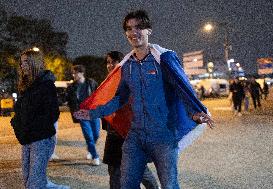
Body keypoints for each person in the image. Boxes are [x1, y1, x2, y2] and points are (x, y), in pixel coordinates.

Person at [74, 10, 213, 189]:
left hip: (163, 136)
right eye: (129, 29)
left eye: (139, 27)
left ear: (149, 30)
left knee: (169, 185)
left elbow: (181, 87)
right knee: (126, 185)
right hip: (136, 136)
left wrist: (195, 112)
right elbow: (120, 99)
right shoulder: (127, 65)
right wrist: (94, 113)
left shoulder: (164, 59)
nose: (134, 32)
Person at [10, 49, 69, 189]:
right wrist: (17, 126)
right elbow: (19, 111)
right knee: (28, 181)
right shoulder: (26, 86)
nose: (22, 65)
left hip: (41, 139)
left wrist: (32, 128)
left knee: (34, 184)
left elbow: (52, 114)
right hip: (27, 139)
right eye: (21, 62)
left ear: (34, 63)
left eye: (25, 62)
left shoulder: (46, 85)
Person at [103, 51, 160, 189]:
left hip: (131, 133)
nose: (110, 65)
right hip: (114, 134)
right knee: (115, 171)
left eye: (113, 61)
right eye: (108, 62)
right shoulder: (107, 81)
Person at [66, 65, 101, 165]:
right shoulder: (72, 87)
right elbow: (69, 100)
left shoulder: (91, 83)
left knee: (96, 135)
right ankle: (95, 156)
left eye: (75, 73)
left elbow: (99, 94)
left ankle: (90, 149)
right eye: (73, 73)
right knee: (89, 136)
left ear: (81, 73)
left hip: (93, 112)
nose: (73, 75)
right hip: (81, 114)